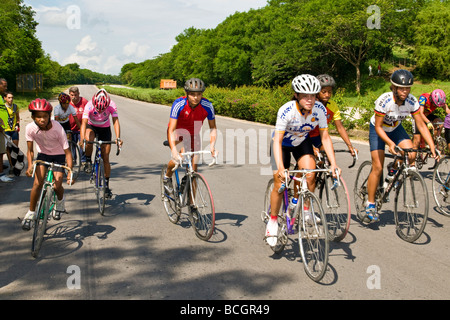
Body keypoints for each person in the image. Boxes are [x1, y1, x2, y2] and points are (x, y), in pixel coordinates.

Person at [266, 74, 341, 246]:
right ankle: (273, 221)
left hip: (301, 142)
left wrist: (334, 164)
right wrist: (281, 168)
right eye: (305, 96)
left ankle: (305, 209)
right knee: (280, 182)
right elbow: (277, 140)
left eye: (313, 96)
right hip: (281, 145)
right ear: (297, 95)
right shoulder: (286, 110)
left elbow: (326, 138)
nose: (310, 100)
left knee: (310, 173)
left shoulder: (320, 110)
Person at [365, 69, 439, 223]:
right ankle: (370, 204)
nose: (405, 91)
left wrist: (432, 146)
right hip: (378, 129)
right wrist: (390, 144)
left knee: (411, 153)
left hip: (395, 128)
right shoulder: (384, 100)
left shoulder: (412, 101)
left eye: (407, 88)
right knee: (377, 167)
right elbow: (379, 127)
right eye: (401, 88)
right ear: (394, 87)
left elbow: (422, 125)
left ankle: (392, 171)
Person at [22, 99, 73, 230]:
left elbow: (67, 152)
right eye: (38, 117)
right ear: (32, 116)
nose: (42, 119)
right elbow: (30, 150)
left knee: (57, 186)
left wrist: (70, 172)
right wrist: (29, 166)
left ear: (49, 115)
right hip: (43, 155)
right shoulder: (30, 128)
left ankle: (60, 202)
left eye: (45, 116)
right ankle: (31, 213)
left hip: (59, 156)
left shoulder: (57, 128)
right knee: (37, 184)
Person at [163, 78, 217, 192]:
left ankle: (192, 206)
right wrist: (173, 150)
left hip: (193, 135)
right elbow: (171, 129)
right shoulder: (179, 104)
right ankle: (167, 177)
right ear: (187, 93)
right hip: (177, 133)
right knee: (178, 158)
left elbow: (213, 128)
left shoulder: (207, 105)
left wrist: (212, 146)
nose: (196, 97)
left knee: (194, 171)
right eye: (192, 94)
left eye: (199, 94)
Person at [80, 88, 122, 198]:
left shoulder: (112, 105)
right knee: (89, 139)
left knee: (106, 157)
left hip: (105, 128)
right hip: (91, 125)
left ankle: (106, 186)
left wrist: (118, 138)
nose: (99, 111)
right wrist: (82, 139)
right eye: (98, 109)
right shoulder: (89, 105)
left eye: (102, 110)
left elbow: (115, 121)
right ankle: (88, 160)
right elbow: (84, 124)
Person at [309, 74, 357, 157]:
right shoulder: (310, 105)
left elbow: (340, 127)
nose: (327, 95)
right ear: (316, 92)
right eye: (323, 92)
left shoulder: (333, 105)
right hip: (305, 137)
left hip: (319, 136)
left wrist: (350, 146)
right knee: (310, 163)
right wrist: (310, 147)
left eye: (329, 92)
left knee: (327, 157)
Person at [68, 86, 88, 168]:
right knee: (72, 145)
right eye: (72, 95)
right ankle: (73, 159)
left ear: (79, 94)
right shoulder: (67, 102)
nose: (74, 97)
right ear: (69, 94)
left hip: (81, 128)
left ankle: (83, 161)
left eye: (76, 95)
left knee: (82, 144)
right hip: (71, 128)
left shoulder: (84, 102)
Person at [0, 78, 13, 182]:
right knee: (0, 152)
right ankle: (1, 175)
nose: (6, 88)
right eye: (4, 86)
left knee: (2, 151)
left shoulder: (0, 97)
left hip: (2, 128)